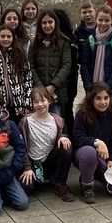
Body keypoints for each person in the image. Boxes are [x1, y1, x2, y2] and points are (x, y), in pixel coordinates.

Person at [73, 82, 112, 203]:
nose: (103, 102)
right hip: (84, 155)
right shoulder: (82, 113)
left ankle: (93, 173)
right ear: (91, 99)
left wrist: (111, 160)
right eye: (98, 98)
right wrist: (96, 142)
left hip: (103, 158)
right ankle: (87, 186)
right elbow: (77, 139)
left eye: (106, 98)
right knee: (89, 152)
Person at [18, 87, 74, 201]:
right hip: (33, 161)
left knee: (67, 147)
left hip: (50, 159)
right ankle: (39, 178)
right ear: (32, 104)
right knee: (26, 187)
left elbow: (63, 133)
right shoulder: (25, 122)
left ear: (49, 101)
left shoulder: (58, 120)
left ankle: (61, 183)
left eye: (43, 100)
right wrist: (27, 167)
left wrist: (63, 137)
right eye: (36, 102)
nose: (40, 104)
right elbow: (20, 146)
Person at [0, 25, 33, 126]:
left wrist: (27, 104)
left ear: (13, 38)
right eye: (3, 36)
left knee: (18, 132)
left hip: (19, 104)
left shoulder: (20, 54)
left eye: (9, 36)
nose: (6, 39)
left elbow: (28, 79)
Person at [29, 10, 72, 119]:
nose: (47, 25)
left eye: (50, 22)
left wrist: (53, 85)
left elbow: (66, 65)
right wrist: (40, 87)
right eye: (44, 23)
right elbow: (31, 66)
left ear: (55, 23)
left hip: (57, 92)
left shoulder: (63, 42)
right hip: (39, 92)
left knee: (56, 121)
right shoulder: (34, 44)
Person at [80, 5, 112, 98]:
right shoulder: (91, 39)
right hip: (92, 86)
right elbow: (85, 64)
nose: (103, 23)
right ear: (96, 19)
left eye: (107, 20)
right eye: (100, 20)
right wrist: (88, 86)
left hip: (110, 87)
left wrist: (109, 88)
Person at [51, 8, 80, 138]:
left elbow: (71, 63)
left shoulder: (69, 39)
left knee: (67, 112)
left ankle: (70, 138)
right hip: (57, 83)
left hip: (68, 82)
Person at [74, 0, 97, 65]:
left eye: (90, 11)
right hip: (85, 66)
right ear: (80, 14)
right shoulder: (78, 32)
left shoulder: (102, 29)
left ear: (95, 11)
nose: (87, 14)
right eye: (84, 12)